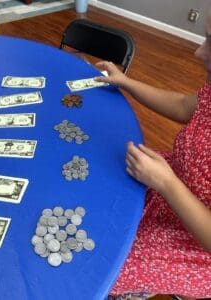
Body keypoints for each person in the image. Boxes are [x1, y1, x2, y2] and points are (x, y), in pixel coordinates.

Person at [94, 9, 211, 300]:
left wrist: (167, 183)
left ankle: (130, 291)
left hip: (194, 242)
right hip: (170, 179)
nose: (198, 52)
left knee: (100, 266)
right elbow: (185, 105)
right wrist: (126, 82)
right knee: (98, 186)